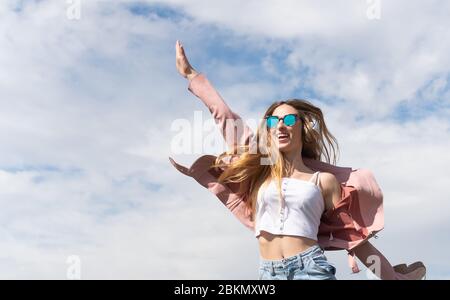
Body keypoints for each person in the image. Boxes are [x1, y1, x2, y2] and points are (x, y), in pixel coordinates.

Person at [170, 40, 426, 280]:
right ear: (268, 130)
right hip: (268, 272)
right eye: (274, 121)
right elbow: (226, 118)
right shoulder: (262, 170)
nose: (281, 125)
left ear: (302, 129)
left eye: (289, 120)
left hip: (311, 268)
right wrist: (191, 75)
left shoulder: (323, 182)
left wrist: (392, 277)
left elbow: (354, 240)